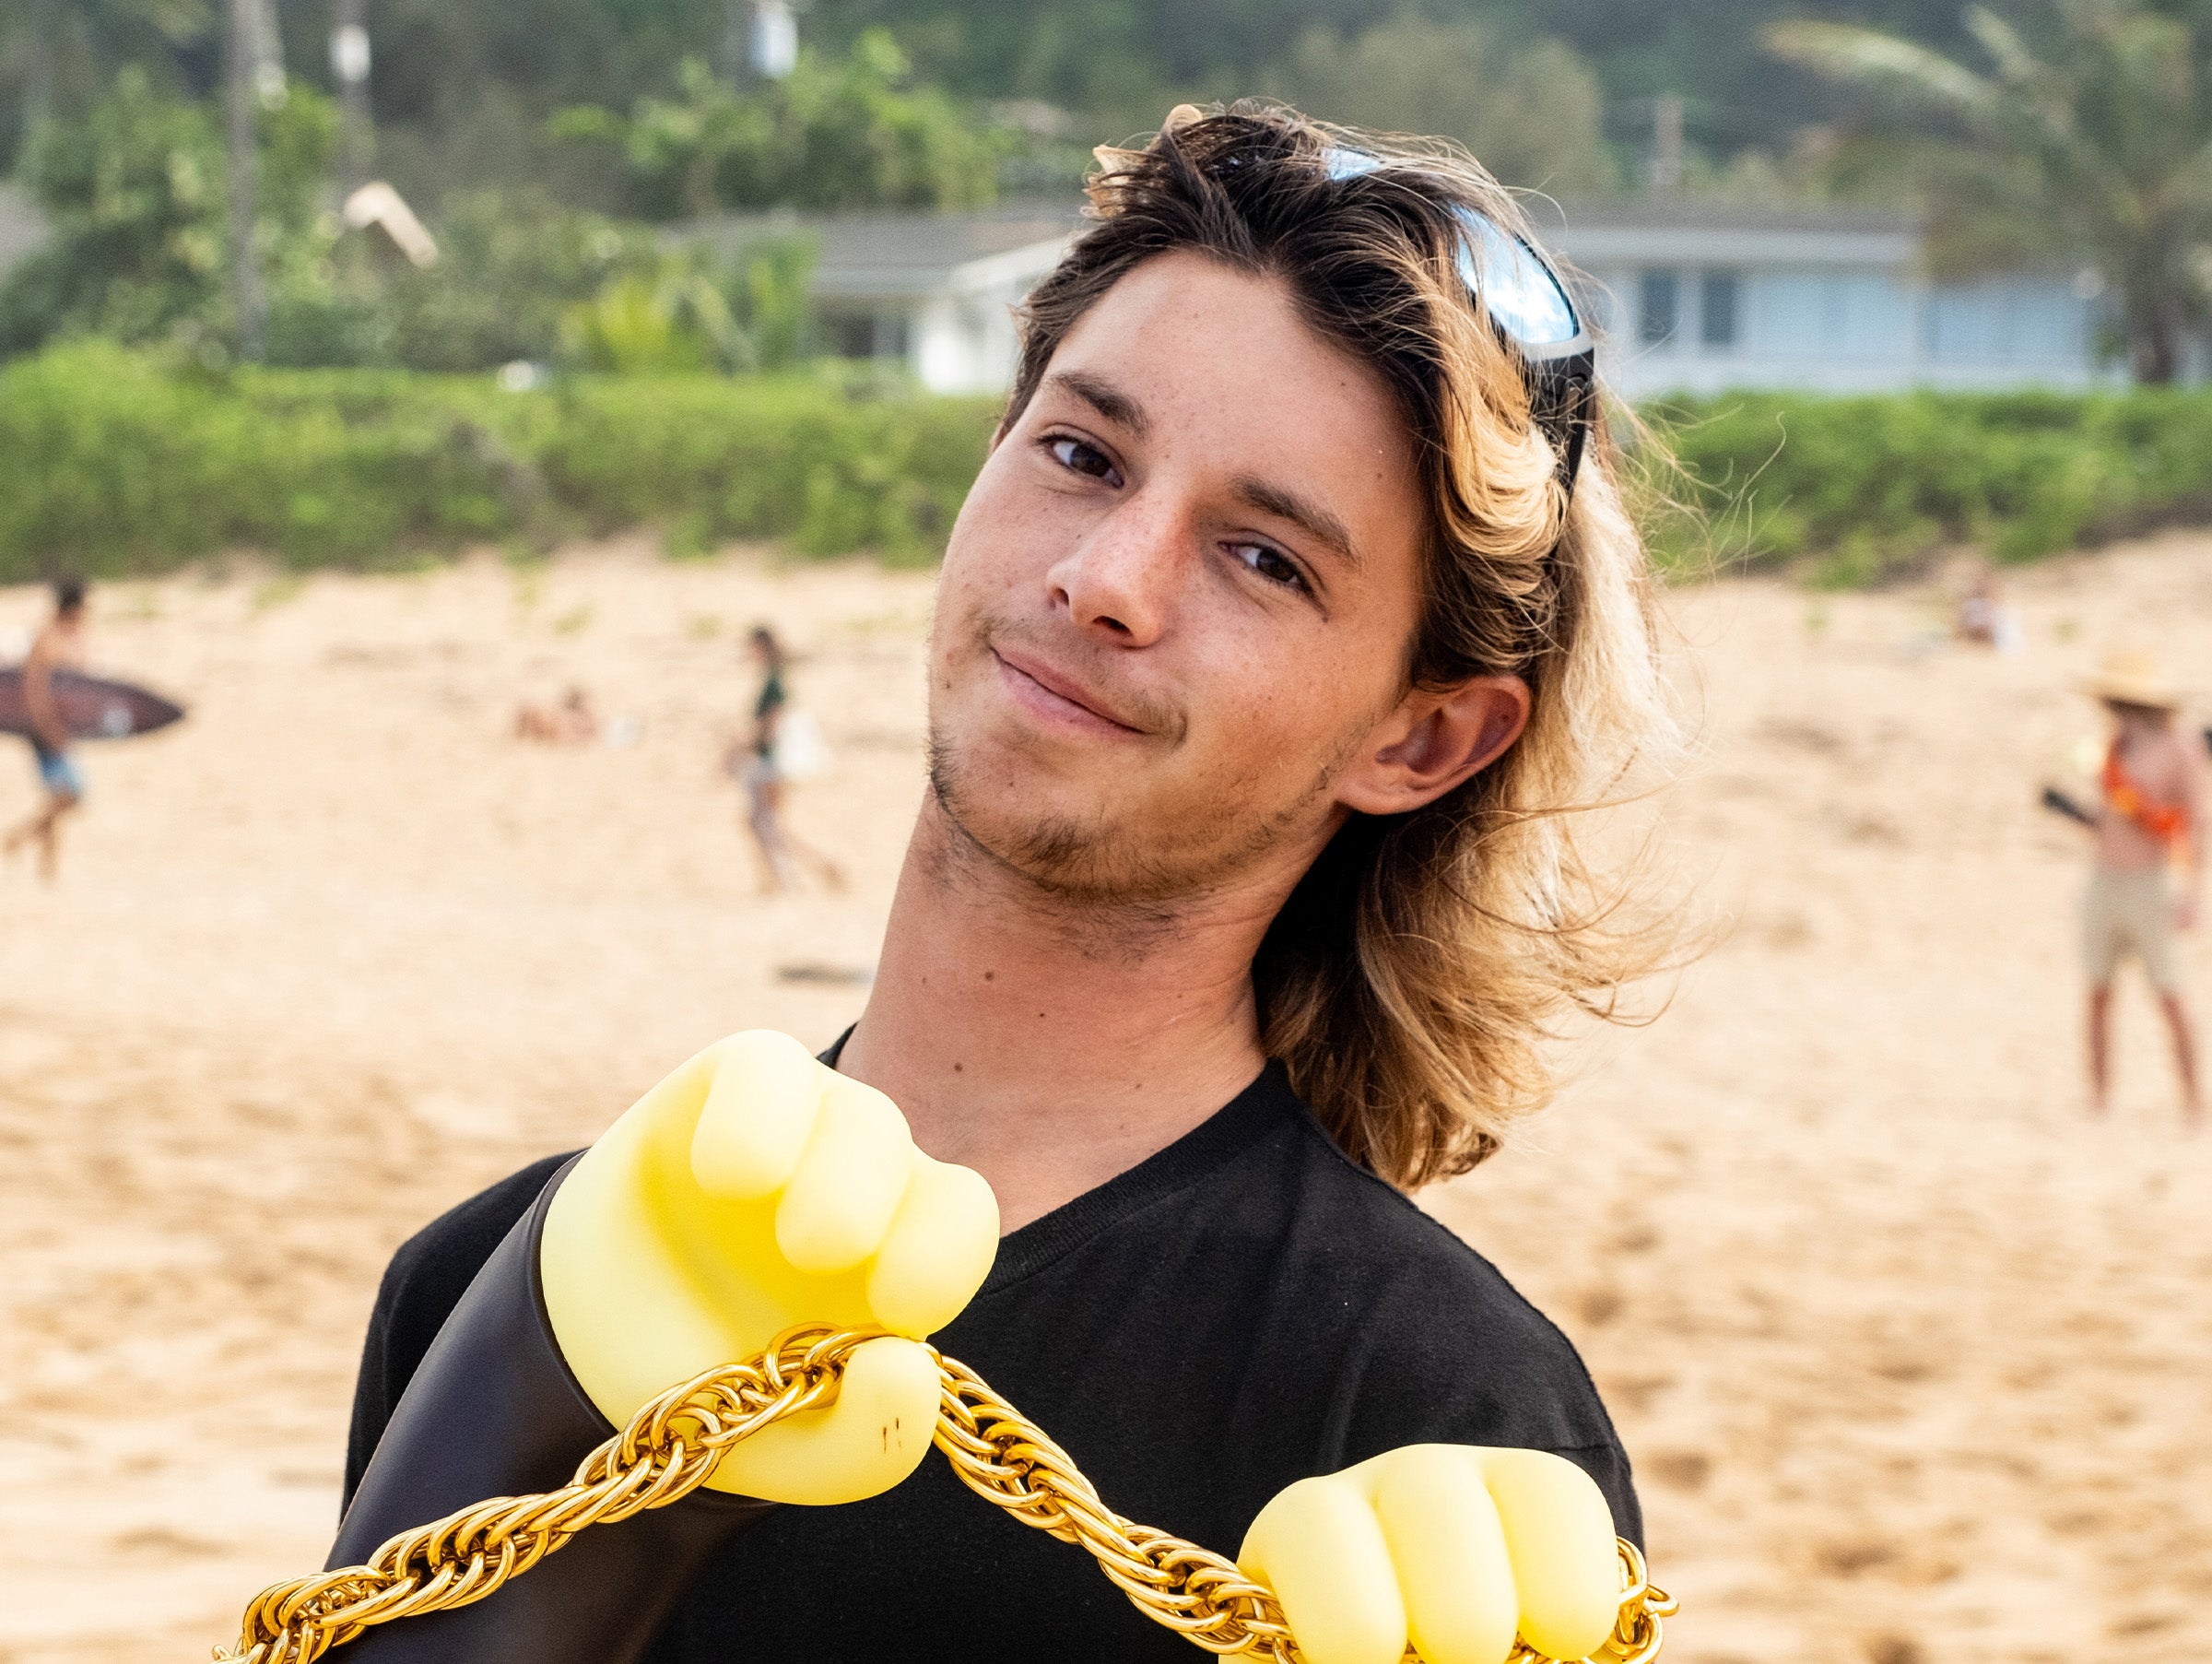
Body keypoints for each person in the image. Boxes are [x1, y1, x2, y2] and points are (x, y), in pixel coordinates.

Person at [342, 104, 1679, 1660]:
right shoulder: (502, 1285)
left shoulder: (1426, 1415)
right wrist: (517, 1406)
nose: (1106, 578)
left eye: (1266, 558)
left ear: (1426, 735)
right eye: (1080, 453)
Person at [2079, 648, 2204, 1127]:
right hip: (2103, 879)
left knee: (2169, 995)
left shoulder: (2179, 749)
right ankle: (2098, 1098)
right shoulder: (2115, 748)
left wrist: (2192, 894)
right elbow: (2111, 818)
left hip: (2151, 883)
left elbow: (2195, 826)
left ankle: (2192, 1099)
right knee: (2097, 990)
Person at [728, 624, 844, 893]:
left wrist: (743, 742)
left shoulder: (774, 682)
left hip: (770, 763)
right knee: (761, 824)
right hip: (767, 762)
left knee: (768, 826)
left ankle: (814, 870)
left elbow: (771, 724)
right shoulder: (773, 678)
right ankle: (780, 879)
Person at [4, 578, 89, 883]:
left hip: (63, 728)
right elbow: (35, 691)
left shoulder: (73, 637)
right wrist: (48, 727)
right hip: (45, 729)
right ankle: (15, 839)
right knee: (70, 796)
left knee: (60, 796)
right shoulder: (46, 639)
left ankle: (47, 867)